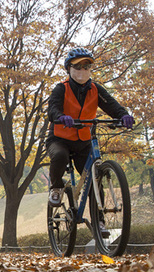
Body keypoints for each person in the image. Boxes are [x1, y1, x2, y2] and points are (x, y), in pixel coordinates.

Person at [46, 47, 134, 206]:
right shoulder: (61, 88)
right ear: (68, 68)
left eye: (86, 67)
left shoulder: (95, 89)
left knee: (95, 180)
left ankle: (99, 224)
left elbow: (111, 105)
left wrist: (123, 116)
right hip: (59, 139)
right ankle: (56, 188)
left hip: (83, 142)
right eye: (78, 66)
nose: (82, 70)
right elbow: (52, 108)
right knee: (60, 156)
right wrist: (60, 117)